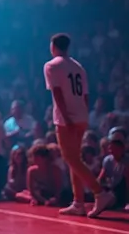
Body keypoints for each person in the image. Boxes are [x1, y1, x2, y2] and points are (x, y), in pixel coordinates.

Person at [44, 33, 114, 218]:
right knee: (73, 158)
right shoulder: (78, 67)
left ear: (54, 46)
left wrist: (66, 118)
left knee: (70, 158)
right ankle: (78, 202)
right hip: (81, 114)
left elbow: (57, 94)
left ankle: (100, 192)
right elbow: (86, 95)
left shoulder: (51, 66)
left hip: (66, 118)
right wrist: (82, 114)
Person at [97, 127, 129, 211]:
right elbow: (100, 179)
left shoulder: (127, 161)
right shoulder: (107, 160)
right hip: (113, 190)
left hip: (123, 192)